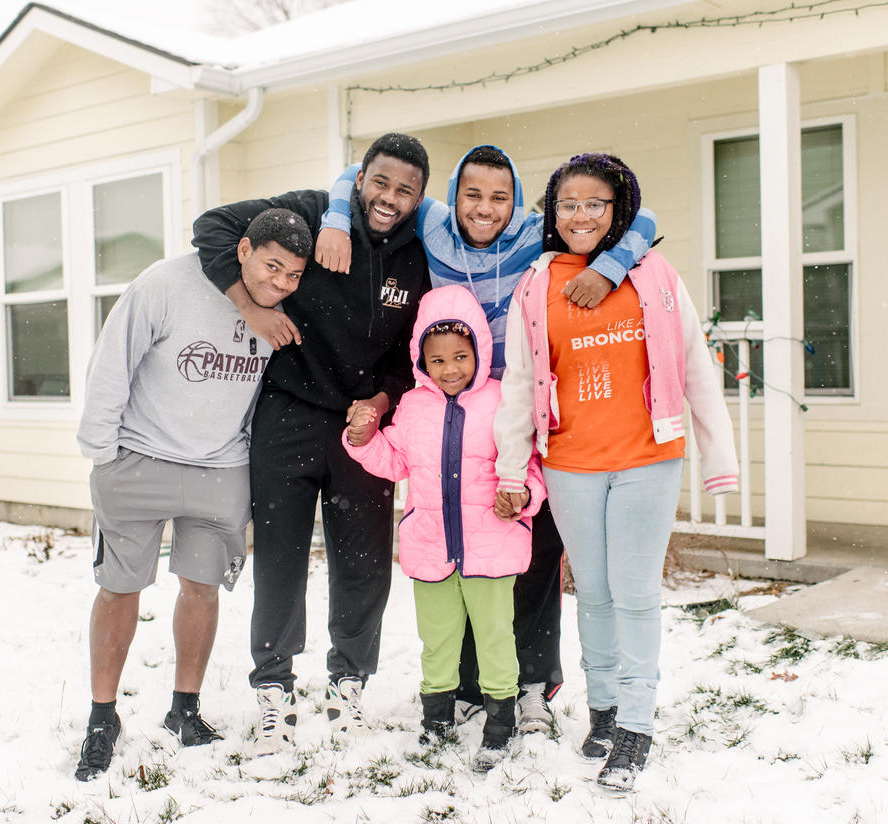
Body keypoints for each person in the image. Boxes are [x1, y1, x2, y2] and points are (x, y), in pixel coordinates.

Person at [315, 145, 657, 732]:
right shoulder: (432, 221)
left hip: (521, 405)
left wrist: (608, 266)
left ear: (517, 203)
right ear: (452, 197)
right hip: (451, 399)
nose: (485, 208)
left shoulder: (536, 230)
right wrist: (335, 219)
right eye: (472, 194)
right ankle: (473, 686)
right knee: (464, 553)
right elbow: (355, 175)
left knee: (530, 552)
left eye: (500, 197)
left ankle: (531, 684)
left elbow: (640, 219)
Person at [493, 153, 738, 792]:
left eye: (595, 203)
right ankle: (602, 707)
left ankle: (635, 724)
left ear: (617, 209)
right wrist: (513, 466)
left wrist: (722, 458)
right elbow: (520, 381)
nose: (580, 215)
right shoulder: (537, 282)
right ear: (553, 212)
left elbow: (696, 368)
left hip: (647, 458)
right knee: (594, 592)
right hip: (570, 462)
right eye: (568, 203)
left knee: (634, 593)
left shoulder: (654, 275)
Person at [191, 133, 431, 756]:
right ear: (357, 178)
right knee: (280, 557)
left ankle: (349, 683)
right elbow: (213, 227)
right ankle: (273, 689)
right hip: (289, 414)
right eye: (379, 182)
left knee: (365, 562)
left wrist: (381, 404)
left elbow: (413, 357)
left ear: (420, 198)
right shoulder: (308, 211)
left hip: (363, 427)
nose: (389, 198)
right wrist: (250, 307)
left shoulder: (421, 253)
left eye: (405, 189)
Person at [72, 208, 312, 781]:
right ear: (245, 249)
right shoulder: (165, 284)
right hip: (139, 458)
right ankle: (101, 717)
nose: (279, 283)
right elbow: (113, 362)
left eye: (293, 275)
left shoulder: (281, 308)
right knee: (119, 588)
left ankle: (185, 710)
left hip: (220, 467)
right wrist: (102, 452)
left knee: (202, 588)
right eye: (272, 266)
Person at [343, 284, 545, 772]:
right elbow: (393, 461)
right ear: (420, 360)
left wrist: (521, 496)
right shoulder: (413, 407)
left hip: (491, 545)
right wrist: (360, 438)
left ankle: (501, 717)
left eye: (461, 356)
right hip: (431, 546)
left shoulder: (502, 402)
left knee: (496, 634)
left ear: (480, 349)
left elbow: (531, 467)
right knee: (438, 637)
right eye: (437, 360)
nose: (451, 368)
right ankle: (436, 715)